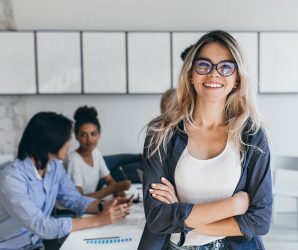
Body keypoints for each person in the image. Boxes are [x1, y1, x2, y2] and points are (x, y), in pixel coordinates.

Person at [139, 30, 272, 250]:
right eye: (204, 65)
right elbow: (157, 218)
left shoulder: (252, 137)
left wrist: (179, 214)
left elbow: (260, 220)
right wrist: (234, 205)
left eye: (226, 67)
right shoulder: (161, 133)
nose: (214, 74)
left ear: (237, 78)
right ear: (190, 74)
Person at [0, 112, 130, 250]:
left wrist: (105, 205)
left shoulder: (54, 167)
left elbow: (74, 199)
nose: (70, 143)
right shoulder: (11, 178)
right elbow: (41, 225)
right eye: (67, 138)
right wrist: (97, 220)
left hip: (36, 244)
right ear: (51, 141)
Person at [66, 106, 131, 199]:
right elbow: (78, 200)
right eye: (83, 135)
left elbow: (108, 179)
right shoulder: (73, 160)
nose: (89, 139)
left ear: (99, 134)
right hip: (71, 211)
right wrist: (114, 188)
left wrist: (118, 191)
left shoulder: (96, 153)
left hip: (89, 205)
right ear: (76, 136)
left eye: (93, 134)